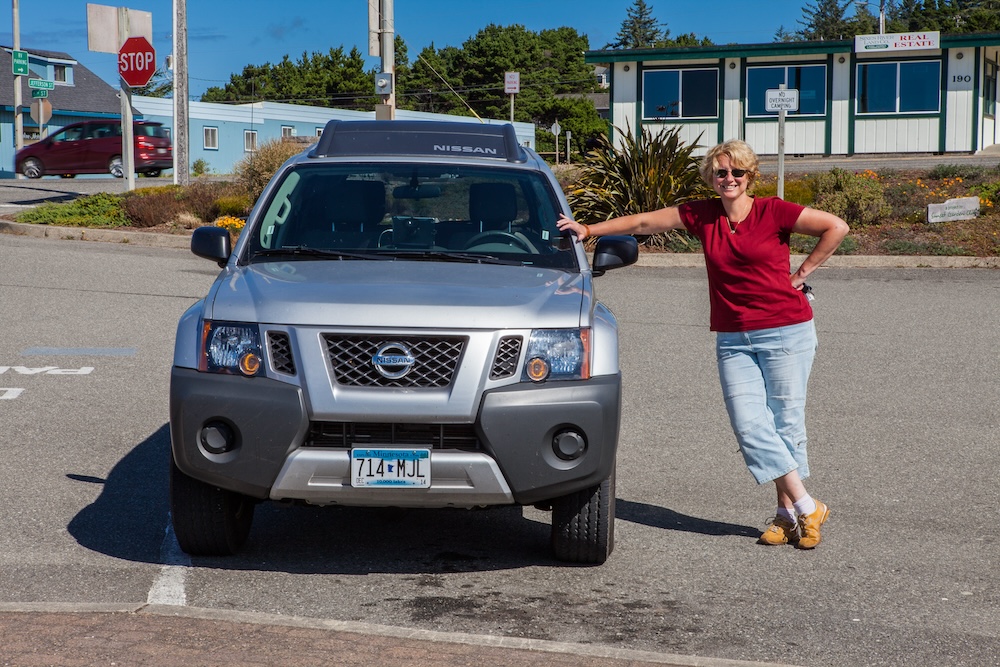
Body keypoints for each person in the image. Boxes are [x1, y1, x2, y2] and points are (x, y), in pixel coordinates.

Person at [557, 139, 849, 549]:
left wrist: (802, 271)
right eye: (721, 172)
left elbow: (837, 226)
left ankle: (787, 516)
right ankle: (807, 504)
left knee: (785, 424)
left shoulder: (773, 211)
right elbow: (643, 223)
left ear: (750, 177)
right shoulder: (702, 213)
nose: (728, 178)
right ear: (711, 177)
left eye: (737, 172)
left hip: (786, 330)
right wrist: (589, 230)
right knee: (750, 424)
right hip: (733, 336)